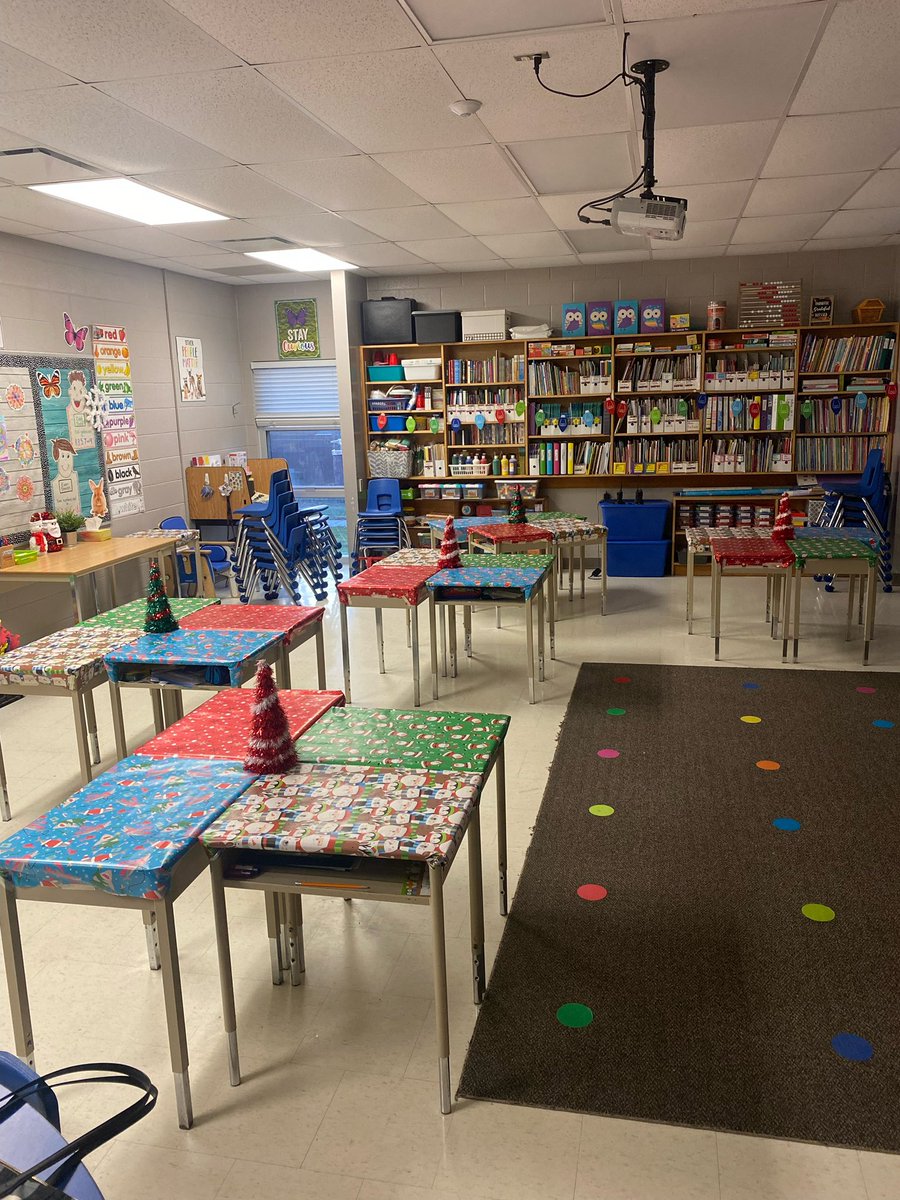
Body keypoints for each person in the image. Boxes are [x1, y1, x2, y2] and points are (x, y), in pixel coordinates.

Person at [50, 437, 81, 512]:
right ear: (57, 458)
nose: (65, 462)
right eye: (62, 456)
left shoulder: (75, 477)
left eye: (68, 456)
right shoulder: (54, 483)